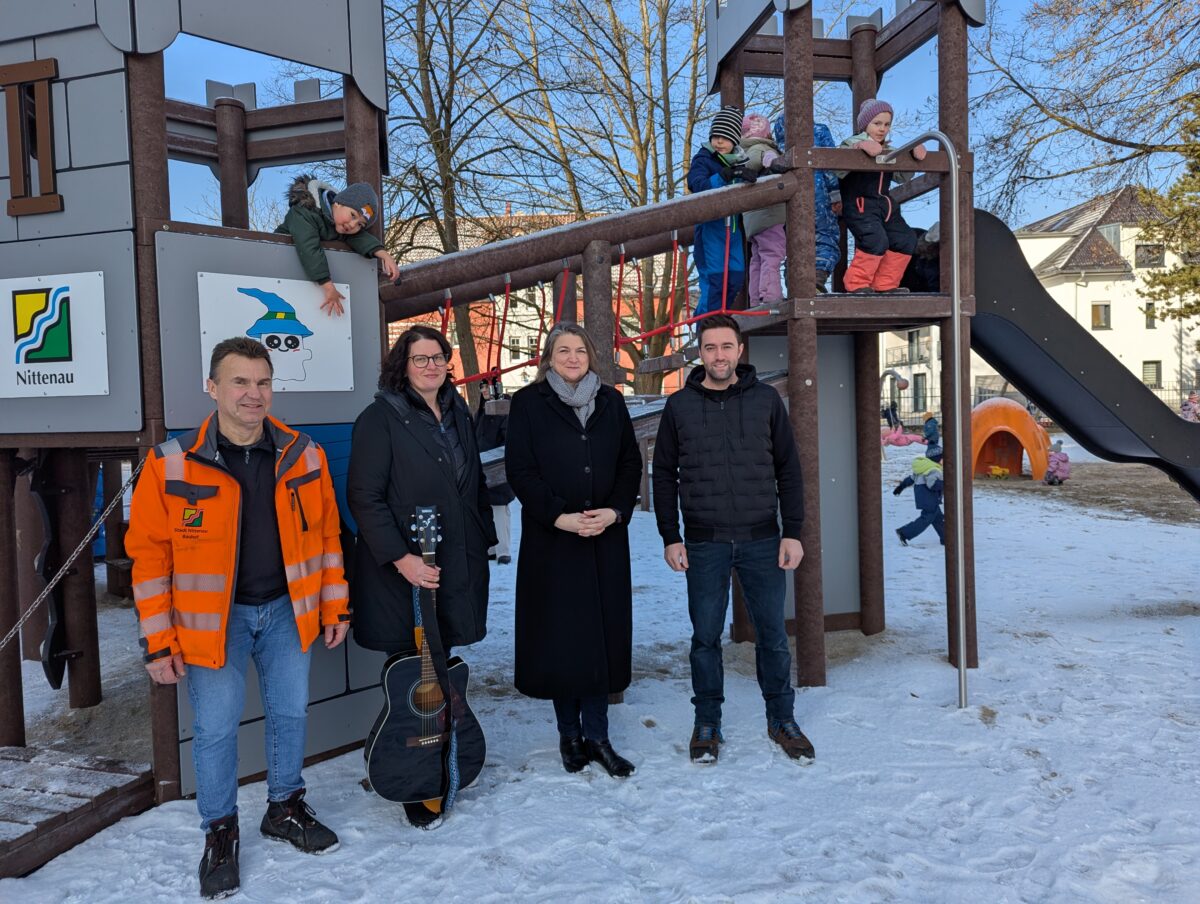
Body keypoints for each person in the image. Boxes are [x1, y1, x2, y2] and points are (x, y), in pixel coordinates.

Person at [126, 337, 350, 900]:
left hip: (285, 612)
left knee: (289, 713)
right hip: (211, 624)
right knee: (217, 730)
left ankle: (284, 807)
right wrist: (158, 641)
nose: (254, 394)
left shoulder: (305, 454)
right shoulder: (169, 463)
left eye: (263, 382)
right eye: (240, 382)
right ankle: (220, 830)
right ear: (213, 388)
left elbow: (327, 539)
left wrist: (334, 604)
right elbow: (150, 559)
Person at [347, 325, 496, 829]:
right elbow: (363, 498)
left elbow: (472, 486)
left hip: (457, 560)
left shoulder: (457, 413)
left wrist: (484, 542)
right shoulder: (380, 419)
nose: (430, 366)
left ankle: (441, 755)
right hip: (403, 570)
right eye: (419, 359)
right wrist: (401, 559)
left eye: (437, 357)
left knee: (444, 654)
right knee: (411, 665)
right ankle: (413, 771)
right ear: (402, 365)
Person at [653, 314, 814, 764]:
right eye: (710, 348)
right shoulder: (680, 406)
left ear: (740, 351)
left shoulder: (765, 401)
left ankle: (781, 717)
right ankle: (707, 721)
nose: (718, 356)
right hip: (703, 543)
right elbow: (663, 474)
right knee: (705, 638)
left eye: (726, 347)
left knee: (773, 638)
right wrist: (671, 535)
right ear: (699, 353)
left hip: (763, 539)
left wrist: (793, 532)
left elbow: (789, 470)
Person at [505, 323, 643, 778]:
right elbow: (520, 470)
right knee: (562, 638)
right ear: (548, 357)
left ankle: (599, 736)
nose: (571, 357)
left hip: (604, 537)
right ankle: (569, 734)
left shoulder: (611, 401)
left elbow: (629, 462)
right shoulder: (528, 403)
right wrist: (557, 515)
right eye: (562, 350)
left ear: (591, 356)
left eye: (579, 349)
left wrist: (616, 510)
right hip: (554, 540)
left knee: (601, 636)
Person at [276, 174, 400, 316]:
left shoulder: (337, 222)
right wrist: (328, 286)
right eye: (353, 215)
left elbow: (359, 237)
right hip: (278, 263)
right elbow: (309, 248)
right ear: (338, 203)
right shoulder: (305, 212)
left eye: (360, 224)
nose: (353, 225)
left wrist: (383, 254)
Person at [837, 98, 926, 294]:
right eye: (877, 123)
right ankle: (856, 283)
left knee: (906, 239)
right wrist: (860, 147)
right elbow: (837, 170)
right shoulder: (853, 143)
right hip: (860, 203)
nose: (882, 129)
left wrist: (911, 156)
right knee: (875, 240)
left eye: (886, 124)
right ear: (865, 125)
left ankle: (885, 285)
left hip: (884, 205)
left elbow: (902, 176)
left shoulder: (890, 151)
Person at [687, 106, 749, 314]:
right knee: (715, 282)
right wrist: (722, 176)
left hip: (733, 230)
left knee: (735, 278)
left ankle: (719, 318)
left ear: (735, 141)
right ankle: (706, 325)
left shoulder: (741, 161)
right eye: (716, 136)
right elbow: (697, 185)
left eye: (725, 137)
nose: (719, 142)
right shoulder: (704, 159)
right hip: (710, 230)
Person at [773, 115, 842, 293]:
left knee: (796, 242)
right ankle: (817, 278)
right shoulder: (820, 132)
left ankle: (794, 280)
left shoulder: (779, 148)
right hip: (820, 196)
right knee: (826, 237)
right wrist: (835, 195)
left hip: (791, 200)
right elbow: (830, 165)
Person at [739, 113, 787, 303]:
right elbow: (757, 160)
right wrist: (772, 159)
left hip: (754, 217)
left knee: (757, 258)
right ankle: (770, 296)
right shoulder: (761, 148)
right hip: (769, 214)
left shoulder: (743, 150)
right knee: (773, 254)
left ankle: (756, 299)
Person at [475, 380, 516, 564]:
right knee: (486, 509)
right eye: (482, 388)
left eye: (487, 388)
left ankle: (503, 550)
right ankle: (491, 547)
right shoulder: (482, 412)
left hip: (498, 468)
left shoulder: (504, 410)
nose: (484, 391)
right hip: (483, 468)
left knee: (500, 510)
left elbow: (508, 439)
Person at [894, 444, 945, 546]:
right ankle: (904, 533)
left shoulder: (922, 468)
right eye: (942, 458)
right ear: (937, 458)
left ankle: (945, 538)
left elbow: (911, 479)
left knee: (938, 518)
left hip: (924, 498)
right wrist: (945, 483)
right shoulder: (934, 470)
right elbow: (932, 485)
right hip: (929, 498)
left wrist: (900, 487)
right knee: (926, 519)